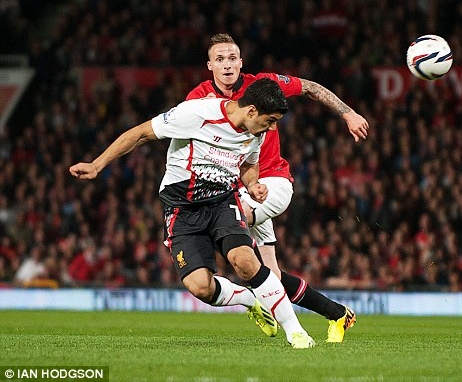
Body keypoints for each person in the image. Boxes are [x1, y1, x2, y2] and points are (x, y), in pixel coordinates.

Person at [70, 78, 315, 348]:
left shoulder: (256, 131)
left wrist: (252, 184)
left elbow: (248, 164)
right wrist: (97, 165)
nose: (272, 128)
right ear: (251, 111)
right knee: (200, 287)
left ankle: (296, 332)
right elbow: (140, 133)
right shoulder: (196, 113)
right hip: (181, 207)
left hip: (222, 201)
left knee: (245, 261)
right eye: (270, 121)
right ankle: (248, 299)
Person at [186, 33, 369, 342]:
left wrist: (347, 113)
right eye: (220, 59)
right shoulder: (198, 97)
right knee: (271, 277)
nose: (227, 65)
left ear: (241, 62)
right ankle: (339, 314)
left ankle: (264, 311)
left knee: (224, 225)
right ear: (210, 66)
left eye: (232, 58)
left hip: (271, 183)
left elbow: (310, 88)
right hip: (235, 188)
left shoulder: (263, 85)